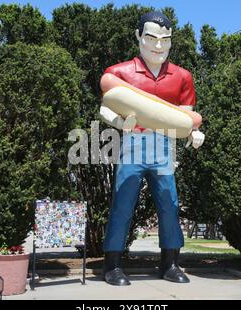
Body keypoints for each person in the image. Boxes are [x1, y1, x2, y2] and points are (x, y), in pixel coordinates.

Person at [99, 11, 205, 286]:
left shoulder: (182, 77)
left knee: (169, 204)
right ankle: (112, 265)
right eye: (151, 38)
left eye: (165, 40)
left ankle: (170, 263)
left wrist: (192, 132)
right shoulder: (119, 72)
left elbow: (184, 117)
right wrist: (120, 122)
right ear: (138, 36)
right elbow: (105, 108)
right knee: (122, 203)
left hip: (164, 145)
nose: (158, 46)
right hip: (133, 144)